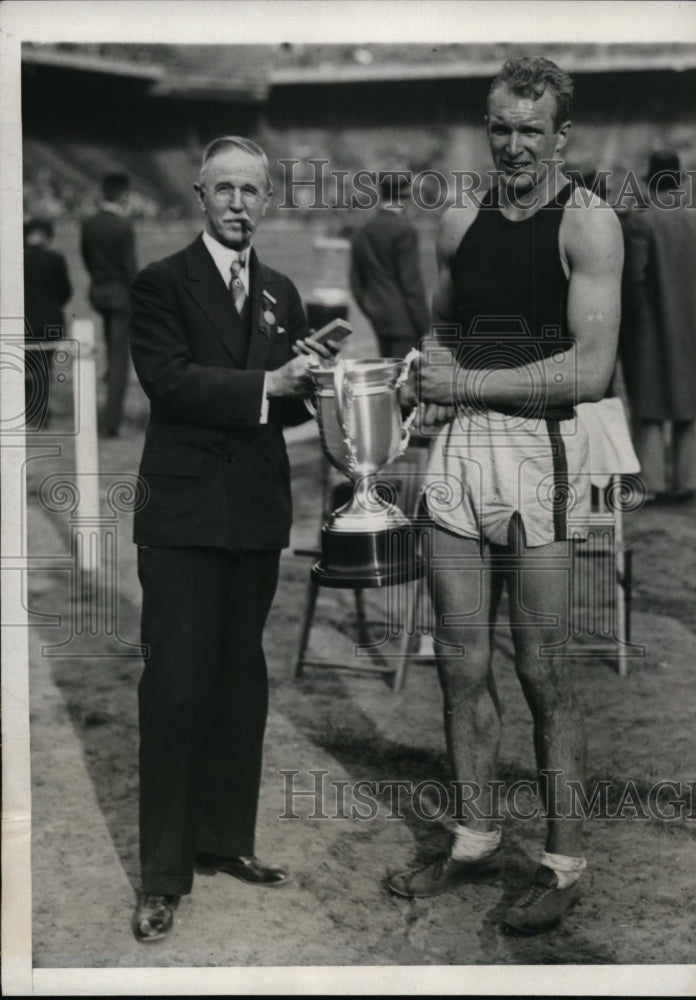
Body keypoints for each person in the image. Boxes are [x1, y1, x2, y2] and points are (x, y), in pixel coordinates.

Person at [388, 56, 623, 935]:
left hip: (539, 451)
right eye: (500, 127)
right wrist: (419, 375)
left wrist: (463, 385)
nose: (513, 144)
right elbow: (440, 332)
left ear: (561, 135)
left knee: (542, 671)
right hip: (456, 452)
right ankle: (475, 836)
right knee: (459, 662)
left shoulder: (590, 224)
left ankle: (562, 864)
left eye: (531, 129)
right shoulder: (457, 215)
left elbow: (589, 372)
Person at [129, 136, 338, 943]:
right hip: (182, 520)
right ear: (198, 194)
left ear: (267, 197)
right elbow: (170, 382)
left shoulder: (281, 291)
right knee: (176, 690)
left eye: (253, 190)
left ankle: (223, 840)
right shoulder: (159, 284)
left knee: (238, 685)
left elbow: (277, 407)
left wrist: (304, 381)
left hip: (252, 514)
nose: (240, 203)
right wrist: (269, 384)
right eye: (226, 189)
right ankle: (161, 877)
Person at [619, 150, 696, 503]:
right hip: (692, 325)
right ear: (680, 179)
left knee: (649, 406)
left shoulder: (641, 222)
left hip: (651, 327)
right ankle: (685, 482)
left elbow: (633, 281)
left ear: (649, 181)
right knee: (685, 407)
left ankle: (651, 483)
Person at [80, 171, 137, 437]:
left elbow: (87, 258)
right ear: (123, 195)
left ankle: (105, 414)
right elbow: (129, 267)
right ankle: (110, 423)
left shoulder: (88, 223)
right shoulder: (123, 226)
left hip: (99, 292)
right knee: (118, 361)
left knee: (109, 355)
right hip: (120, 296)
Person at [350, 173, 430, 357]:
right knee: (406, 380)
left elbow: (357, 284)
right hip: (407, 323)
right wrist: (426, 328)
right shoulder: (404, 231)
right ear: (404, 196)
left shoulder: (363, 231)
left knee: (387, 376)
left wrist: (372, 310)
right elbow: (412, 286)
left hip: (379, 319)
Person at [23, 218, 72, 430]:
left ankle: (27, 410)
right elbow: (65, 291)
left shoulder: (15, 258)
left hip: (23, 322)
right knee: (44, 367)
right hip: (49, 321)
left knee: (25, 367)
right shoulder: (55, 258)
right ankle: (41, 413)